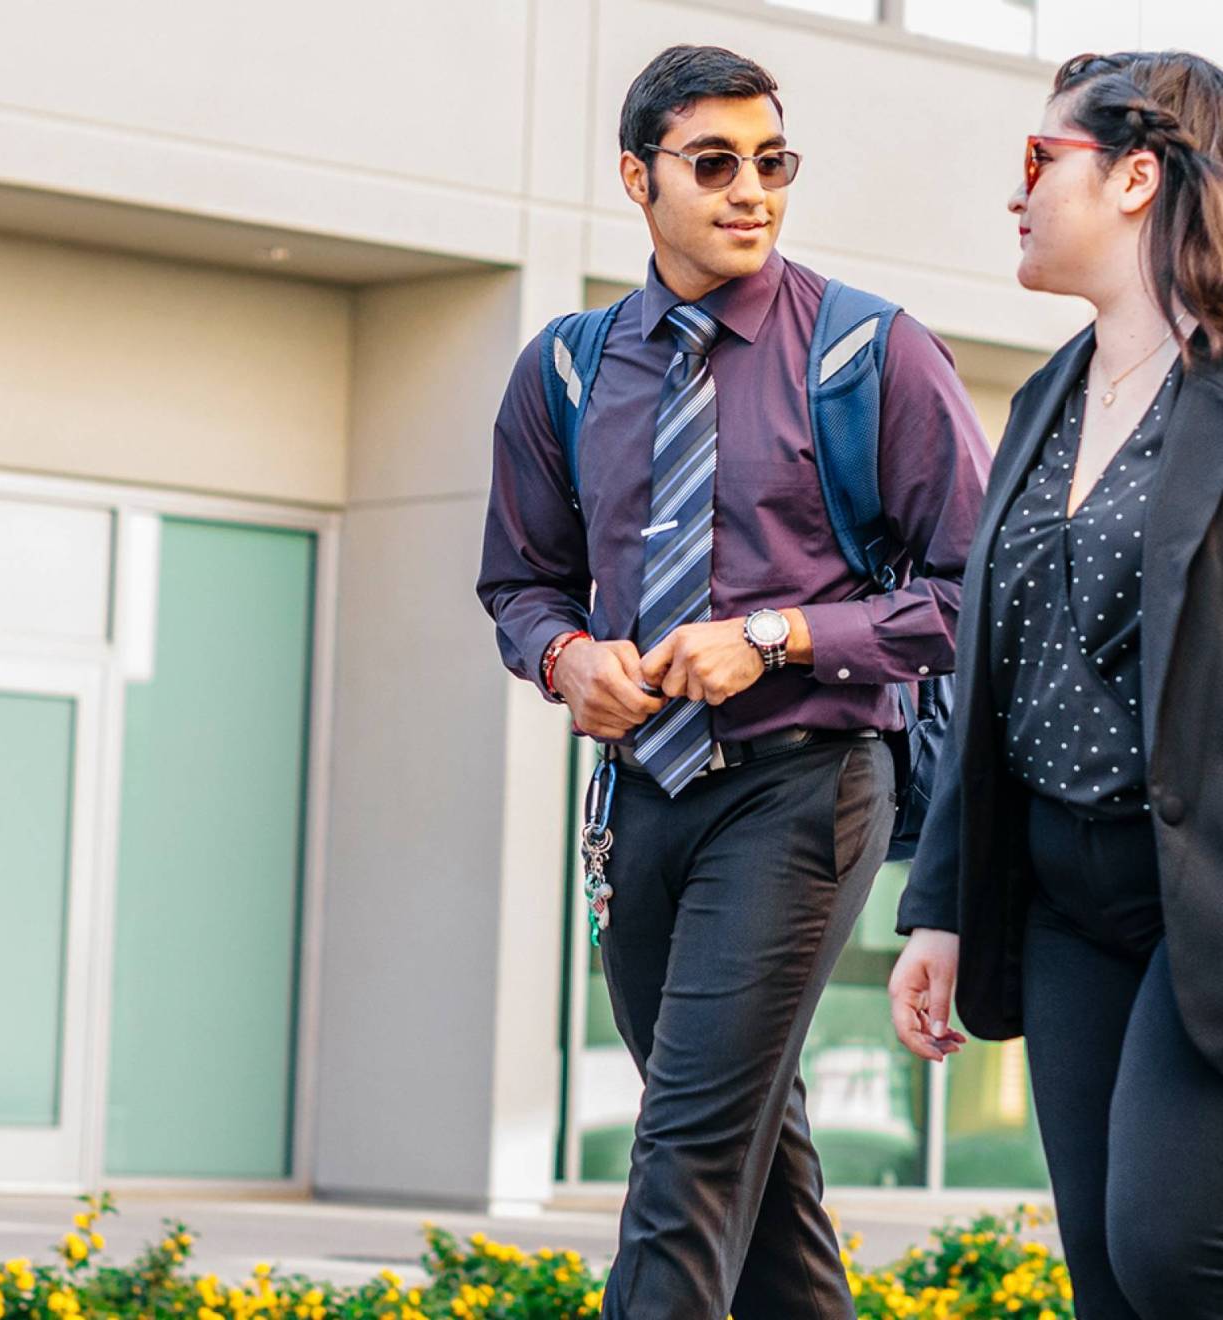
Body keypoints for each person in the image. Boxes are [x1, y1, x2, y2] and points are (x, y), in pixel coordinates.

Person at [478, 43, 988, 1320]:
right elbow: (520, 579)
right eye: (713, 164)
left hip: (806, 790)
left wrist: (777, 638)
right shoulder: (568, 370)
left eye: (773, 162)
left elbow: (973, 595)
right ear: (635, 179)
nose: (749, 190)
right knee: (750, 1159)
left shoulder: (871, 355)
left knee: (689, 1153)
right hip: (639, 804)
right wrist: (564, 656)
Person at [890, 49, 1223, 1320]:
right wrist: (941, 906)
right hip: (1064, 899)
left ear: (1137, 176)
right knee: (1104, 1277)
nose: (1015, 192)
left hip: (1199, 898)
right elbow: (994, 674)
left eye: (1040, 160)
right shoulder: (1043, 399)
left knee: (1171, 1250)